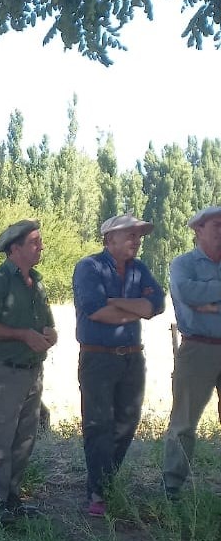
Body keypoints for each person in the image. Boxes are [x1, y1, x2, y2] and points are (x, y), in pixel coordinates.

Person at [72, 213, 166, 516]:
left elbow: (157, 305)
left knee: (127, 424)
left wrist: (118, 302)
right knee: (99, 425)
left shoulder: (140, 269)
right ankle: (97, 492)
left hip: (133, 358)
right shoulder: (89, 267)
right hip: (98, 357)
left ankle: (106, 483)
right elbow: (97, 311)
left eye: (139, 236)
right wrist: (138, 309)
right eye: (131, 235)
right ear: (109, 239)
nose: (137, 241)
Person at [0, 220, 57, 521]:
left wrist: (50, 334)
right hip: (3, 370)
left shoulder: (37, 282)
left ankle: (10, 496)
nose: (41, 247)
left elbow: (46, 323)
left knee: (25, 436)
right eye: (34, 242)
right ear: (15, 248)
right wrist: (22, 335)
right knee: (1, 435)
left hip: (33, 370)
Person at [162, 205, 221, 499]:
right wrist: (202, 297)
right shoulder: (183, 264)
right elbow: (187, 292)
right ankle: (172, 487)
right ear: (198, 230)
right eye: (217, 226)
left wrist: (208, 297)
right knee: (184, 422)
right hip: (198, 347)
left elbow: (199, 295)